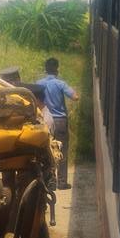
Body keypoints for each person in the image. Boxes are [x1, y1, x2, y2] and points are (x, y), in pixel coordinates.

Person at [37, 57, 79, 189]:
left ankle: (50, 182)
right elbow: (75, 97)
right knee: (62, 150)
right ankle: (62, 182)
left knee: (47, 151)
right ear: (57, 69)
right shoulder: (60, 84)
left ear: (45, 69)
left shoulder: (39, 84)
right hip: (60, 121)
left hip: (45, 121)